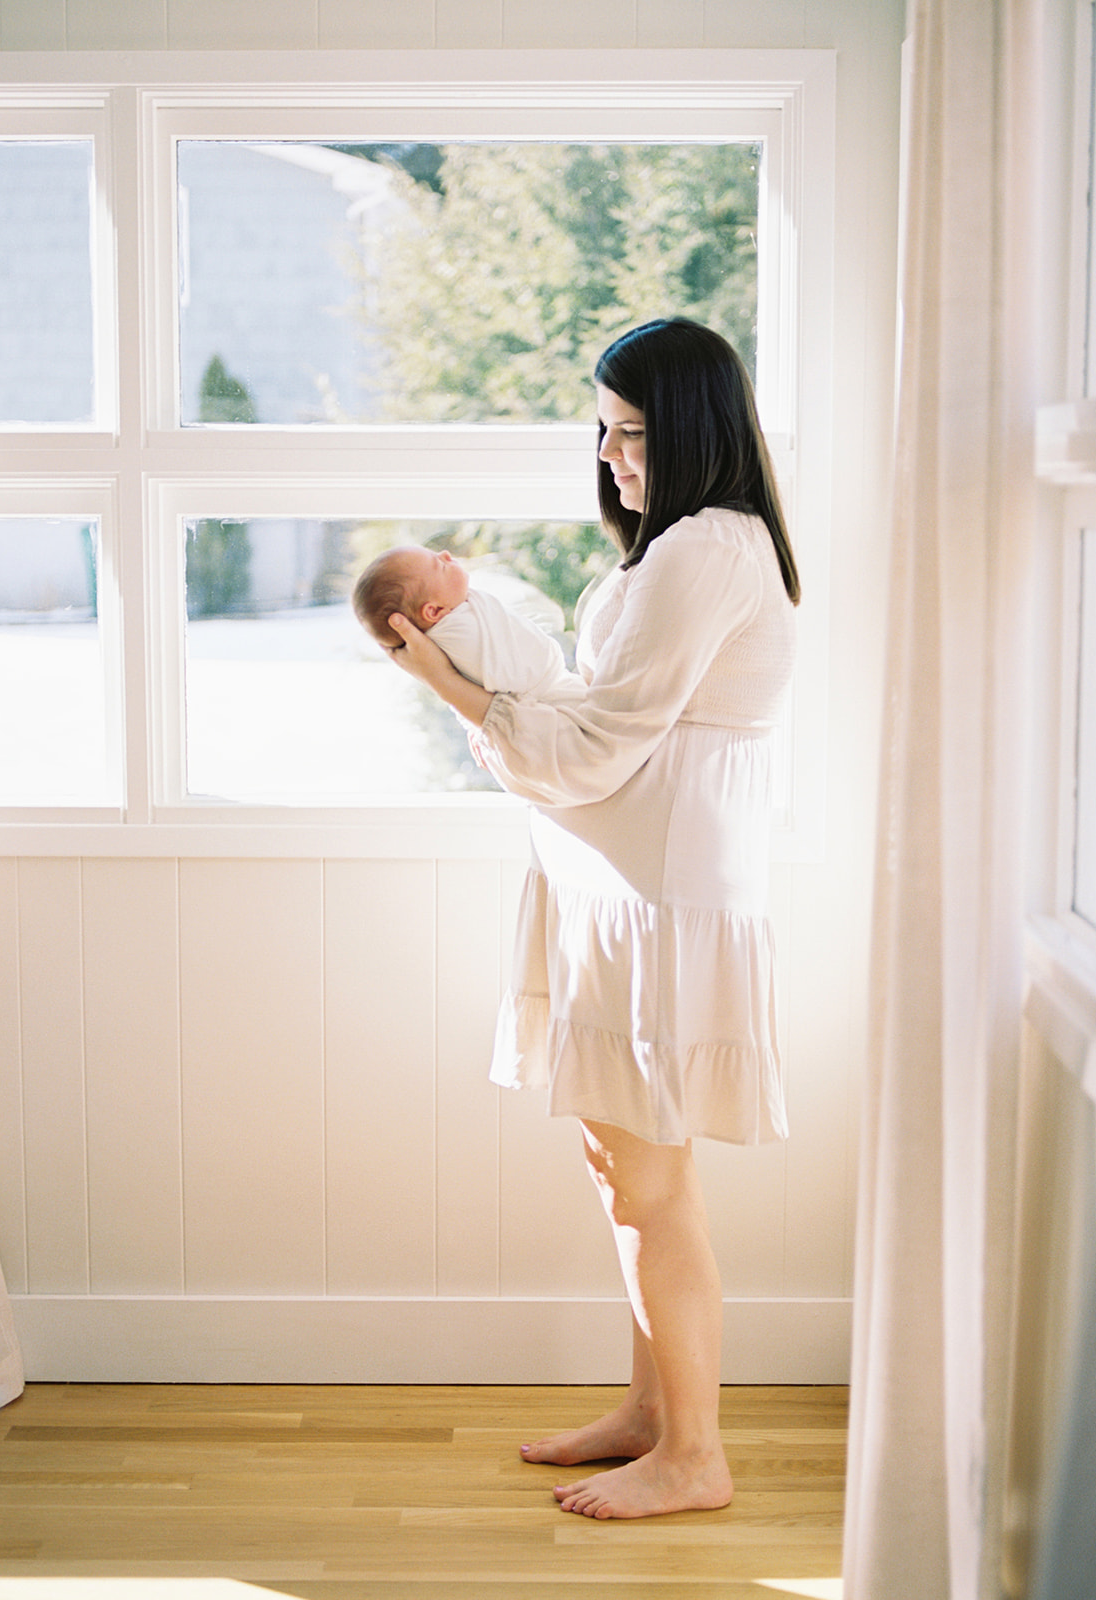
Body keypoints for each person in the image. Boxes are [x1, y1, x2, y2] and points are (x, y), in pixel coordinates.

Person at [381, 317, 800, 1521]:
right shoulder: (676, 551)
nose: (612, 455)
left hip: (660, 901)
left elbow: (603, 747)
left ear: (693, 429)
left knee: (646, 1183)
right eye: (604, 431)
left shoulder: (708, 549)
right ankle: (653, 1411)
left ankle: (694, 1455)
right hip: (629, 894)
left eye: (633, 432)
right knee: (622, 1164)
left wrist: (449, 685)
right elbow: (602, 726)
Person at [353, 544, 583, 701]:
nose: (445, 553)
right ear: (434, 611)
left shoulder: (453, 619)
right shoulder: (459, 635)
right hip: (548, 693)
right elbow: (523, 674)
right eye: (440, 565)